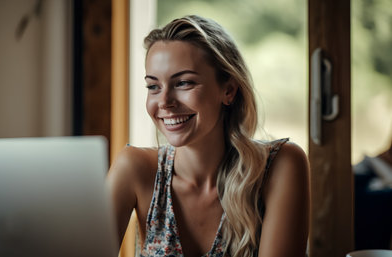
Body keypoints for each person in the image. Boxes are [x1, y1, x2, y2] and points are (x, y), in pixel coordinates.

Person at [107, 15, 310, 257]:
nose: (164, 102)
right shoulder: (135, 168)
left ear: (228, 90)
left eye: (183, 83)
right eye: (153, 86)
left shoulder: (281, 166)